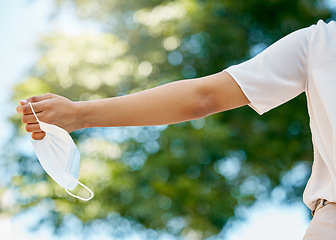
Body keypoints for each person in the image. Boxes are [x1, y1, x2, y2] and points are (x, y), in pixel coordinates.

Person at [16, 19, 336, 239]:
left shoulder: (322, 42)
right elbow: (203, 97)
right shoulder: (321, 43)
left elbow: (203, 99)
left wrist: (80, 115)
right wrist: (79, 115)